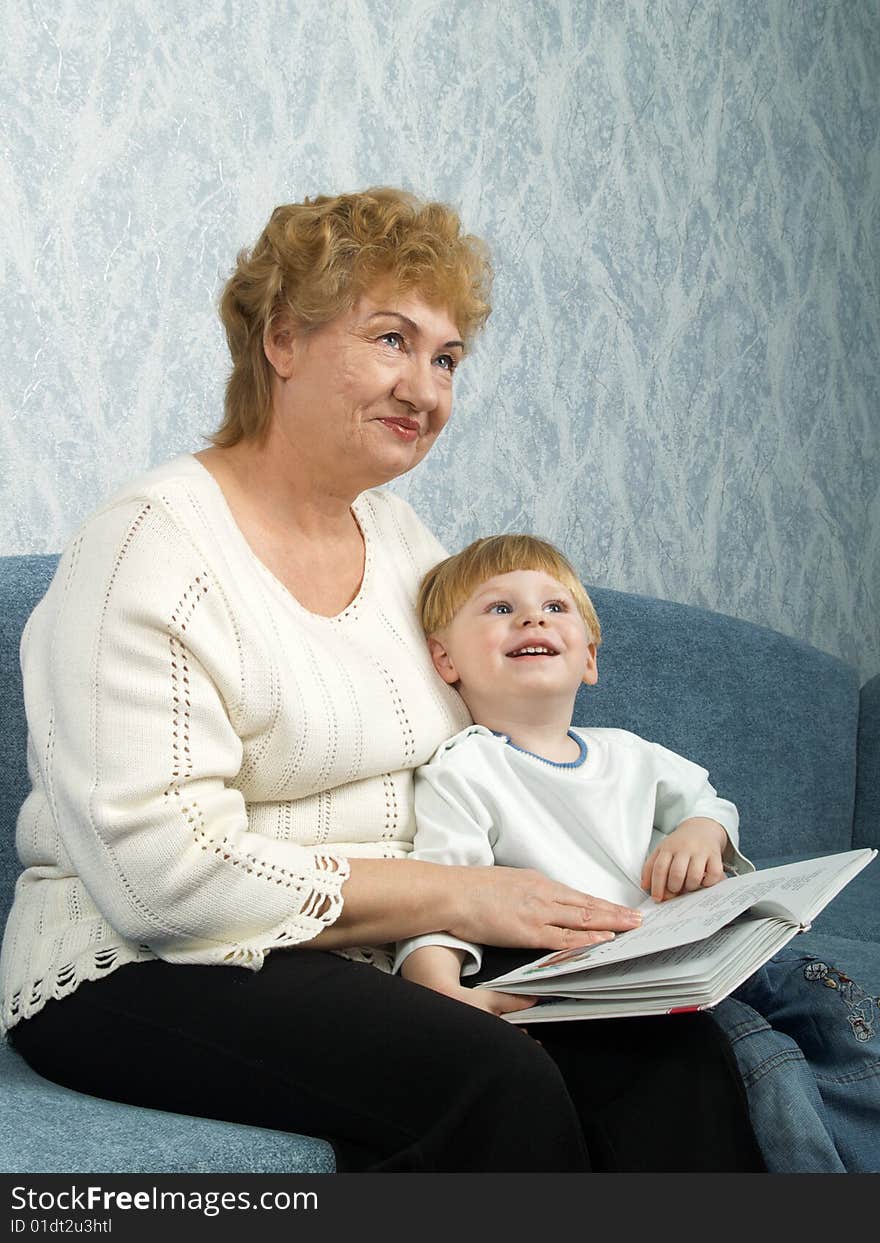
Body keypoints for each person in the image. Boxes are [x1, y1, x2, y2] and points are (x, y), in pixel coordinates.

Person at [0, 188, 763, 1173]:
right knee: (497, 1076)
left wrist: (624, 887)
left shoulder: (406, 546)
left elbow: (498, 752)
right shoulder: (150, 545)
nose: (426, 388)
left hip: (389, 942)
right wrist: (464, 896)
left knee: (669, 1049)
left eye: (446, 359)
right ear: (282, 339)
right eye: (392, 340)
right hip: (139, 965)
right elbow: (165, 880)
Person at [396, 533, 880, 1172]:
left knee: (837, 1007)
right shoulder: (465, 769)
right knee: (754, 1053)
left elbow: (708, 803)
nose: (533, 618)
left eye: (555, 607)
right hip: (620, 978)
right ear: (445, 660)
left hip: (704, 937)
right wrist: (436, 989)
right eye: (499, 609)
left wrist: (700, 835)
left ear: (589, 658)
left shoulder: (627, 751)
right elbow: (440, 891)